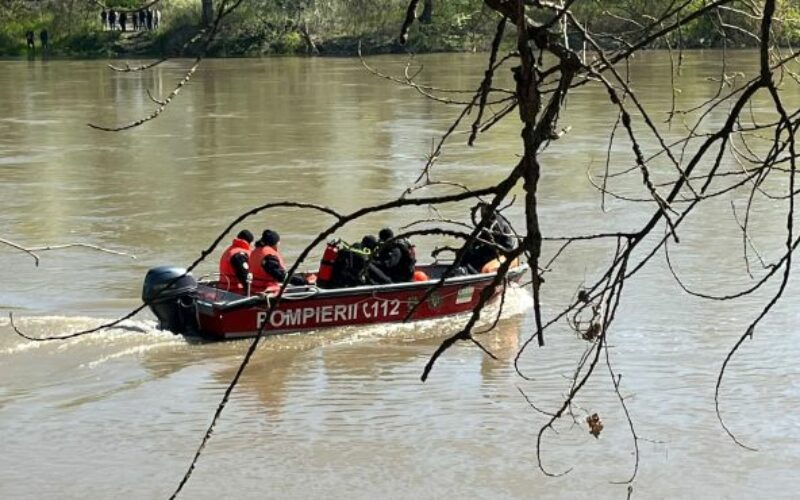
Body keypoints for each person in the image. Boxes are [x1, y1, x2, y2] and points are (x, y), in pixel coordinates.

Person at [462, 203, 518, 273]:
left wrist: (475, 247)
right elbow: (481, 237)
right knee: (467, 252)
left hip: (502, 250)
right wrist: (471, 246)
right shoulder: (488, 221)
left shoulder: (496, 223)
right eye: (481, 210)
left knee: (473, 255)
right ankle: (464, 269)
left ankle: (472, 272)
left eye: (483, 210)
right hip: (492, 247)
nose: (481, 213)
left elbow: (493, 240)